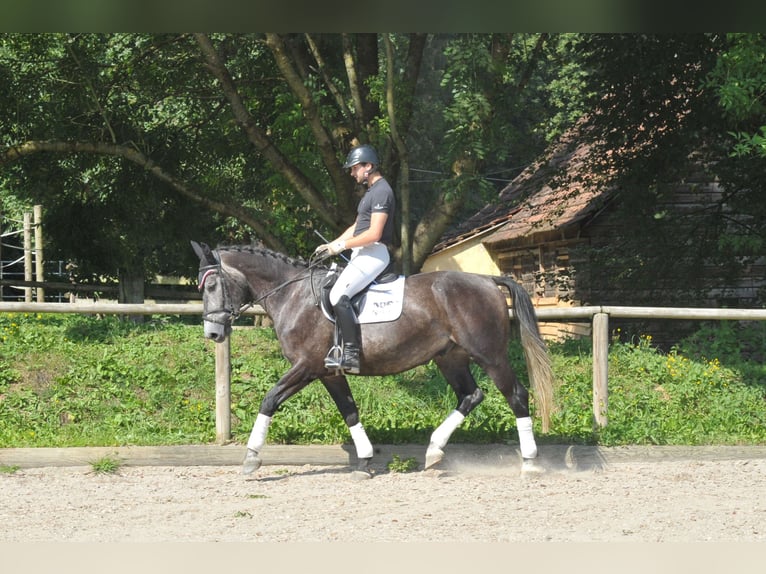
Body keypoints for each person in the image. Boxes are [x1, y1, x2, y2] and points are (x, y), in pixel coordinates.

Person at [314, 144, 395, 374]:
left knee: (339, 295)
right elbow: (357, 227)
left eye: (355, 168)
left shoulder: (382, 191)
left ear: (368, 166)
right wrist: (332, 244)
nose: (352, 173)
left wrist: (343, 245)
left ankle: (351, 355)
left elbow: (374, 233)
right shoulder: (370, 192)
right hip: (363, 252)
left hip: (375, 253)